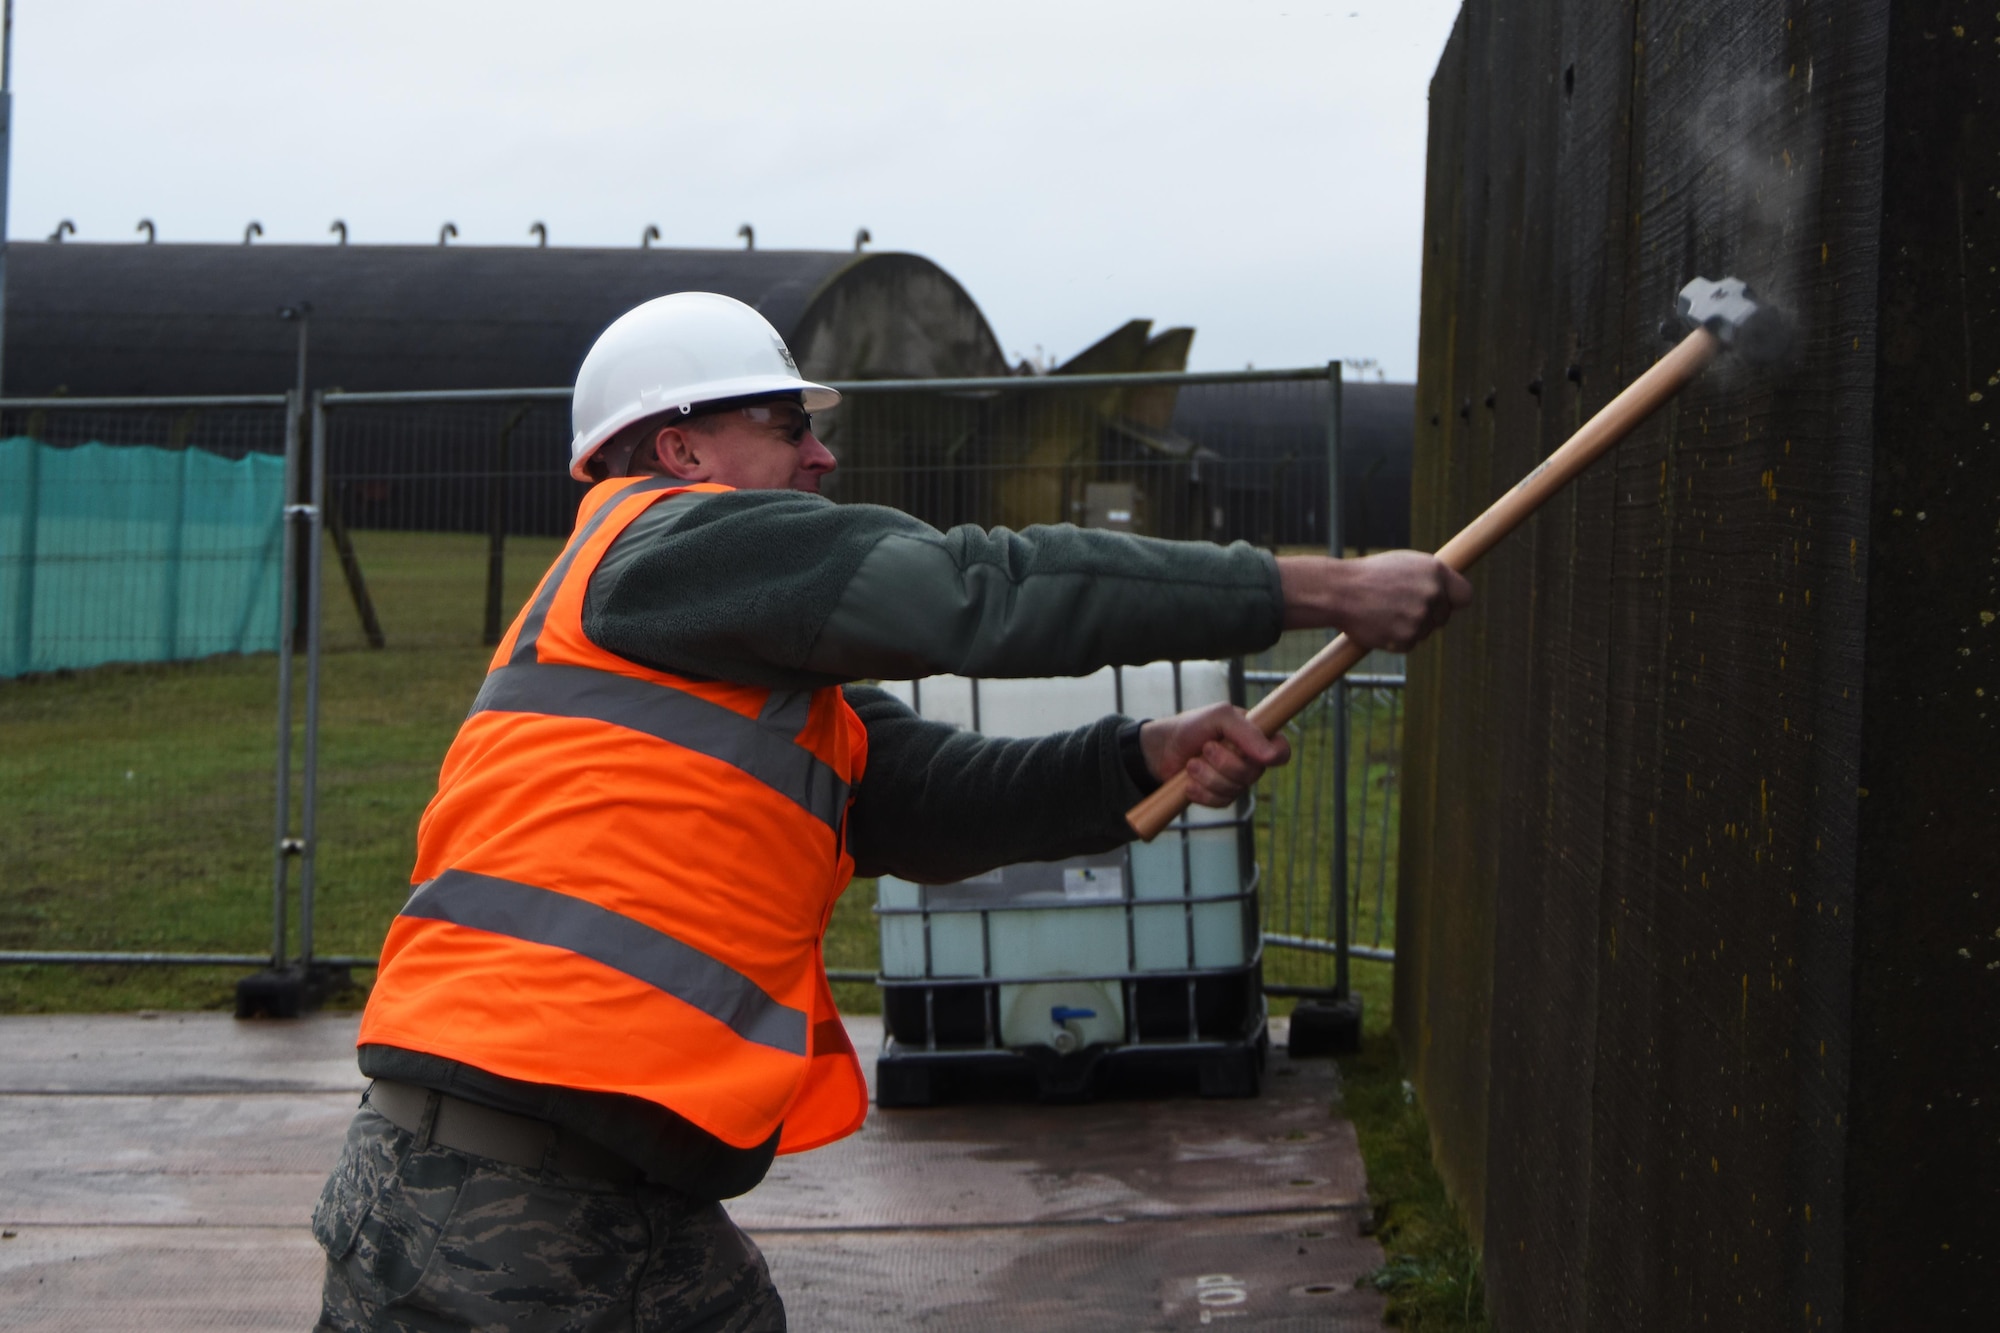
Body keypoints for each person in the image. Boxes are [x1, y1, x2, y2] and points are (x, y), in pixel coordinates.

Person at [311, 292, 1470, 1332]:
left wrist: (1138, 753)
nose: (822, 454)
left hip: (625, 1196)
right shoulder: (662, 541)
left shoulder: (737, 663)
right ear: (680, 449)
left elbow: (927, 798)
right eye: (785, 425)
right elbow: (981, 588)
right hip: (487, 1194)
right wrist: (1315, 588)